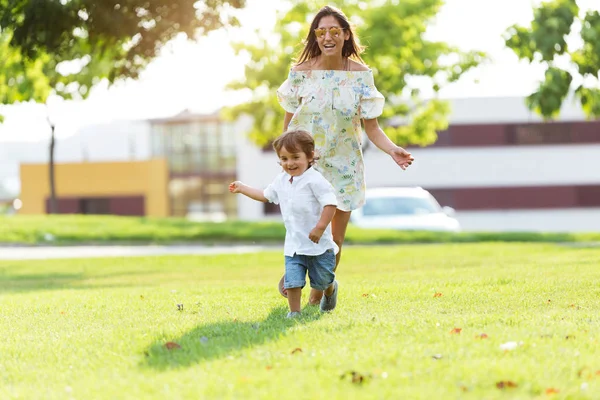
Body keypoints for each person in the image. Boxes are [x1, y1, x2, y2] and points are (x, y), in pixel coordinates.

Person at [276, 5, 415, 305]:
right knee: (304, 234)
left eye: (334, 31)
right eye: (321, 31)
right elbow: (288, 126)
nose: (328, 36)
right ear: (315, 36)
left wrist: (393, 150)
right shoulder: (300, 74)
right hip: (306, 168)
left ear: (346, 35)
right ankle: (301, 282)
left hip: (345, 166)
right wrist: (285, 161)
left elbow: (373, 127)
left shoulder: (361, 76)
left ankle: (320, 294)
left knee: (334, 242)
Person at [229, 129, 339, 317]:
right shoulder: (281, 180)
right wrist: (243, 188)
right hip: (294, 245)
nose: (290, 163)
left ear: (310, 156)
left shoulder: (315, 180)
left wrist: (320, 227)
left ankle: (330, 289)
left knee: (322, 280)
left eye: (295, 157)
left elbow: (330, 204)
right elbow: (265, 195)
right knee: (293, 280)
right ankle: (294, 313)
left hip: (317, 245)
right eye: (284, 158)